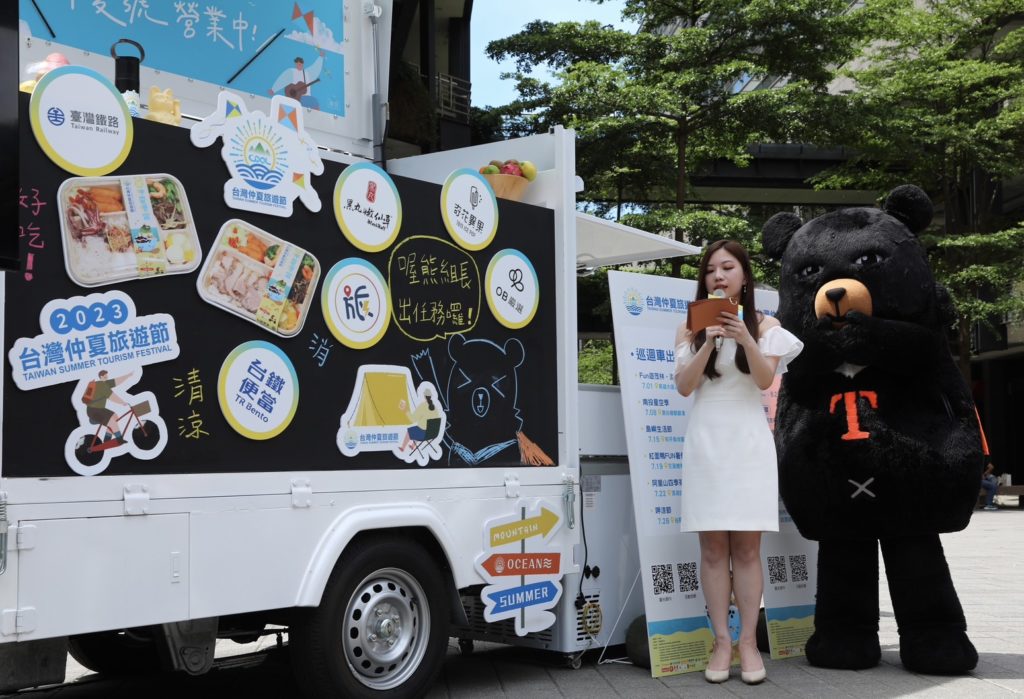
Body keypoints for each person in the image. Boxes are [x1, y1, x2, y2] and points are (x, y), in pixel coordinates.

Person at [673, 240, 803, 685]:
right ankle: (721, 642)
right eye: (711, 270)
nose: (719, 276)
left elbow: (766, 379)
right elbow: (684, 387)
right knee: (712, 550)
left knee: (747, 549)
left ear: (745, 276)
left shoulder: (767, 326)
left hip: (749, 445)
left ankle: (747, 641)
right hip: (706, 444)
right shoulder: (690, 326)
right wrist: (708, 341)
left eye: (728, 267)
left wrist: (744, 334)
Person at [84, 370, 133, 443]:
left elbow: (116, 381)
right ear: (101, 376)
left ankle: (107, 440)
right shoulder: (101, 385)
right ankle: (120, 440)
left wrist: (127, 376)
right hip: (93, 411)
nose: (107, 377)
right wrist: (122, 402)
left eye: (107, 375)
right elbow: (112, 396)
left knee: (115, 416)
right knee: (112, 422)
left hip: (99, 409)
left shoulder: (104, 383)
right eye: (105, 376)